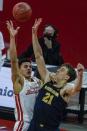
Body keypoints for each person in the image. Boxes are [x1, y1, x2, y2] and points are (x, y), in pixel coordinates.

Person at [27, 18, 84, 131]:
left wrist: (80, 75)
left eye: (62, 70)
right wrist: (34, 33)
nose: (58, 71)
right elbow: (39, 56)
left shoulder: (65, 89)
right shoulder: (48, 79)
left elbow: (77, 88)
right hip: (34, 125)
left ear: (67, 77)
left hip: (49, 129)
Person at [6, 20, 41, 131]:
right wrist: (12, 38)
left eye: (30, 67)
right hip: (23, 124)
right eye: (25, 66)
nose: (29, 68)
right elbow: (13, 61)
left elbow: (39, 56)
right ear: (19, 70)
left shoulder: (36, 80)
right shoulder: (19, 80)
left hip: (36, 123)